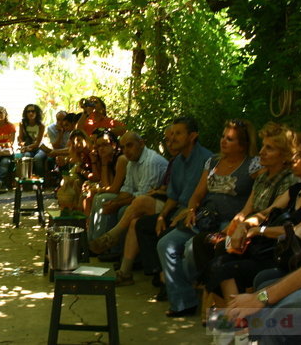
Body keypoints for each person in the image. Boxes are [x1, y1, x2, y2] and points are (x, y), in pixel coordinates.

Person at [157, 119, 260, 317]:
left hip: (229, 222)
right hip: (205, 217)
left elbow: (260, 193)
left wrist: (242, 219)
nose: (223, 141)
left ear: (243, 144)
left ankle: (191, 286)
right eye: (223, 136)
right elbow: (198, 194)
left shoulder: (253, 165)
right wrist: (191, 209)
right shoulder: (212, 162)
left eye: (230, 139)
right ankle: (182, 302)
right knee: (165, 244)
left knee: (191, 248)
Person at [205, 126, 301, 302]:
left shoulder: (290, 180)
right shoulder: (270, 180)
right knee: (212, 247)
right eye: (262, 146)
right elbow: (260, 212)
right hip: (258, 238)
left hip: (275, 248)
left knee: (223, 262)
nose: (261, 152)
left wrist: (255, 230)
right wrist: (241, 225)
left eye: (269, 148)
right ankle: (224, 310)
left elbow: (290, 227)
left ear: (284, 155)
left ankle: (233, 311)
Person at [132, 118, 212, 292]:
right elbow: (173, 196)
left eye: (178, 133)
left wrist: (184, 213)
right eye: (172, 133)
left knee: (166, 235)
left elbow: (205, 197)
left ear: (192, 136)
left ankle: (170, 282)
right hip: (178, 210)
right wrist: (162, 216)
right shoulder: (176, 162)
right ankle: (159, 274)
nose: (173, 138)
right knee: (144, 225)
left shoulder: (207, 160)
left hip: (196, 213)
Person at [88, 131, 169, 255]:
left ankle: (115, 251)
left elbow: (143, 195)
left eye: (129, 145)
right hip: (139, 199)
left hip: (156, 202)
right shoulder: (131, 161)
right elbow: (127, 189)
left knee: (122, 209)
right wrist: (114, 202)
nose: (126, 150)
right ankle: (95, 243)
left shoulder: (151, 161)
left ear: (141, 143)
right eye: (123, 147)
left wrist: (117, 204)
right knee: (103, 199)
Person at [18, 104, 47, 178]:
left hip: (39, 148)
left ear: (37, 113)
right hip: (28, 148)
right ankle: (27, 180)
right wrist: (22, 144)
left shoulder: (41, 125)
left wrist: (26, 147)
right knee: (27, 156)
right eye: (28, 111)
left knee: (38, 158)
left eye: (33, 111)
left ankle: (40, 179)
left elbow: (38, 143)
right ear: (26, 113)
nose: (31, 113)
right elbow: (20, 138)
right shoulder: (23, 124)